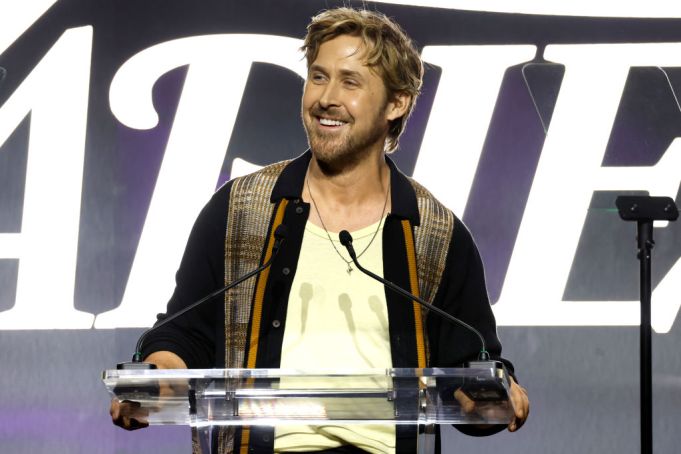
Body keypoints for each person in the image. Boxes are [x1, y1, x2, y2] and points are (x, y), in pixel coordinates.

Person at [111, 7, 529, 453]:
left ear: (397, 102)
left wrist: (493, 397)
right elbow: (184, 336)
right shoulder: (241, 209)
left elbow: (472, 367)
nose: (326, 98)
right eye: (318, 77)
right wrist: (154, 380)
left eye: (350, 82)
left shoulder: (434, 231)